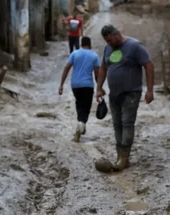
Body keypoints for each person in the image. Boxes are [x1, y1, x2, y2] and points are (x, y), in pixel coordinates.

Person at [95, 24, 155, 172]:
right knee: (117, 124)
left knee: (127, 122)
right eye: (106, 41)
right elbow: (103, 67)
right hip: (114, 93)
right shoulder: (108, 48)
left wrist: (150, 90)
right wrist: (99, 87)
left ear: (116, 34)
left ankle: (124, 158)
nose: (109, 44)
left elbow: (148, 66)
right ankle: (119, 155)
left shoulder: (134, 46)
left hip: (131, 92)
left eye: (110, 40)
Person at [59, 36, 100, 142]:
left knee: (79, 104)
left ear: (81, 44)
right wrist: (99, 88)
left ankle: (82, 126)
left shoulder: (74, 54)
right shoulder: (94, 56)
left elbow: (66, 68)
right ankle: (79, 128)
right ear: (90, 45)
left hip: (75, 85)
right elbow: (97, 74)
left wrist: (61, 84)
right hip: (87, 85)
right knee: (86, 107)